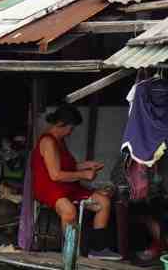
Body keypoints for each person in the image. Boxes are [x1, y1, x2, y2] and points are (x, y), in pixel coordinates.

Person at [30, 105, 118, 259]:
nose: (71, 131)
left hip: (66, 185)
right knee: (69, 211)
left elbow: (67, 166)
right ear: (61, 124)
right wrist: (83, 174)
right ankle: (70, 254)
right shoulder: (48, 142)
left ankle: (97, 249)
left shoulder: (60, 141)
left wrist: (87, 165)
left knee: (103, 201)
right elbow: (55, 175)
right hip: (49, 187)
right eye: (71, 127)